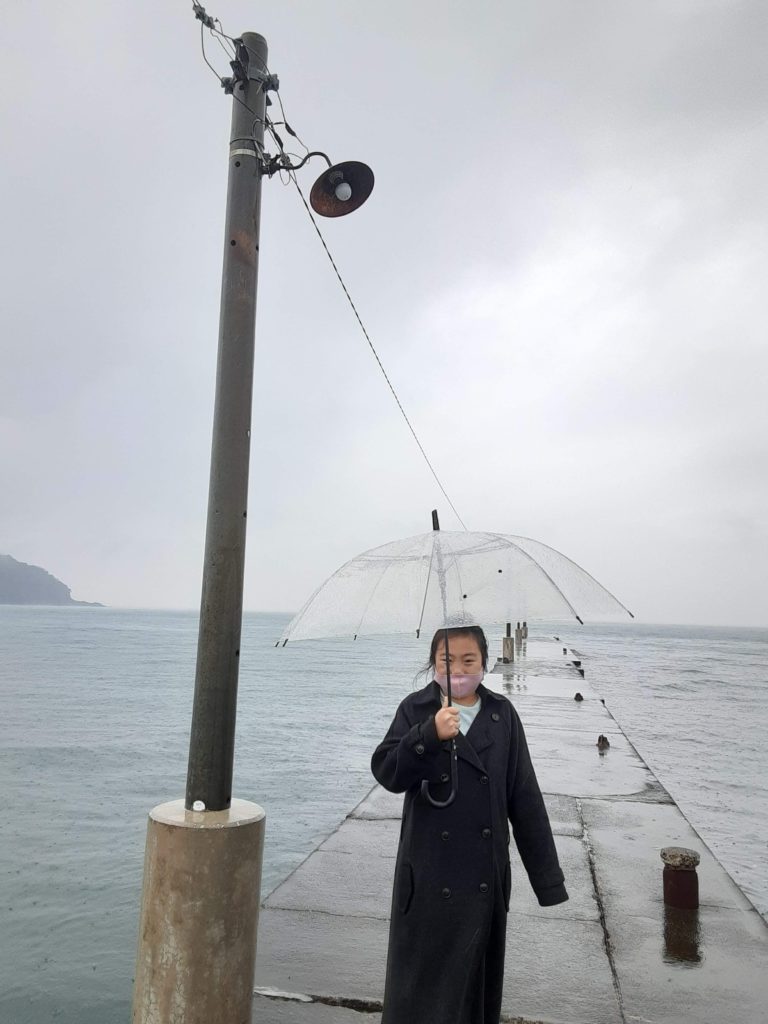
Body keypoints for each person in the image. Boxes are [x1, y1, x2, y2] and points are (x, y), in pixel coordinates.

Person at [371, 625, 568, 1024]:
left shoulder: (502, 714)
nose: (458, 670)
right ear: (433, 663)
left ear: (484, 663)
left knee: (472, 998)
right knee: (421, 997)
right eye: (447, 660)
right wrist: (428, 734)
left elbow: (525, 798)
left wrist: (548, 882)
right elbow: (388, 772)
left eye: (468, 660)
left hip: (483, 881)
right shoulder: (415, 709)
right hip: (427, 879)